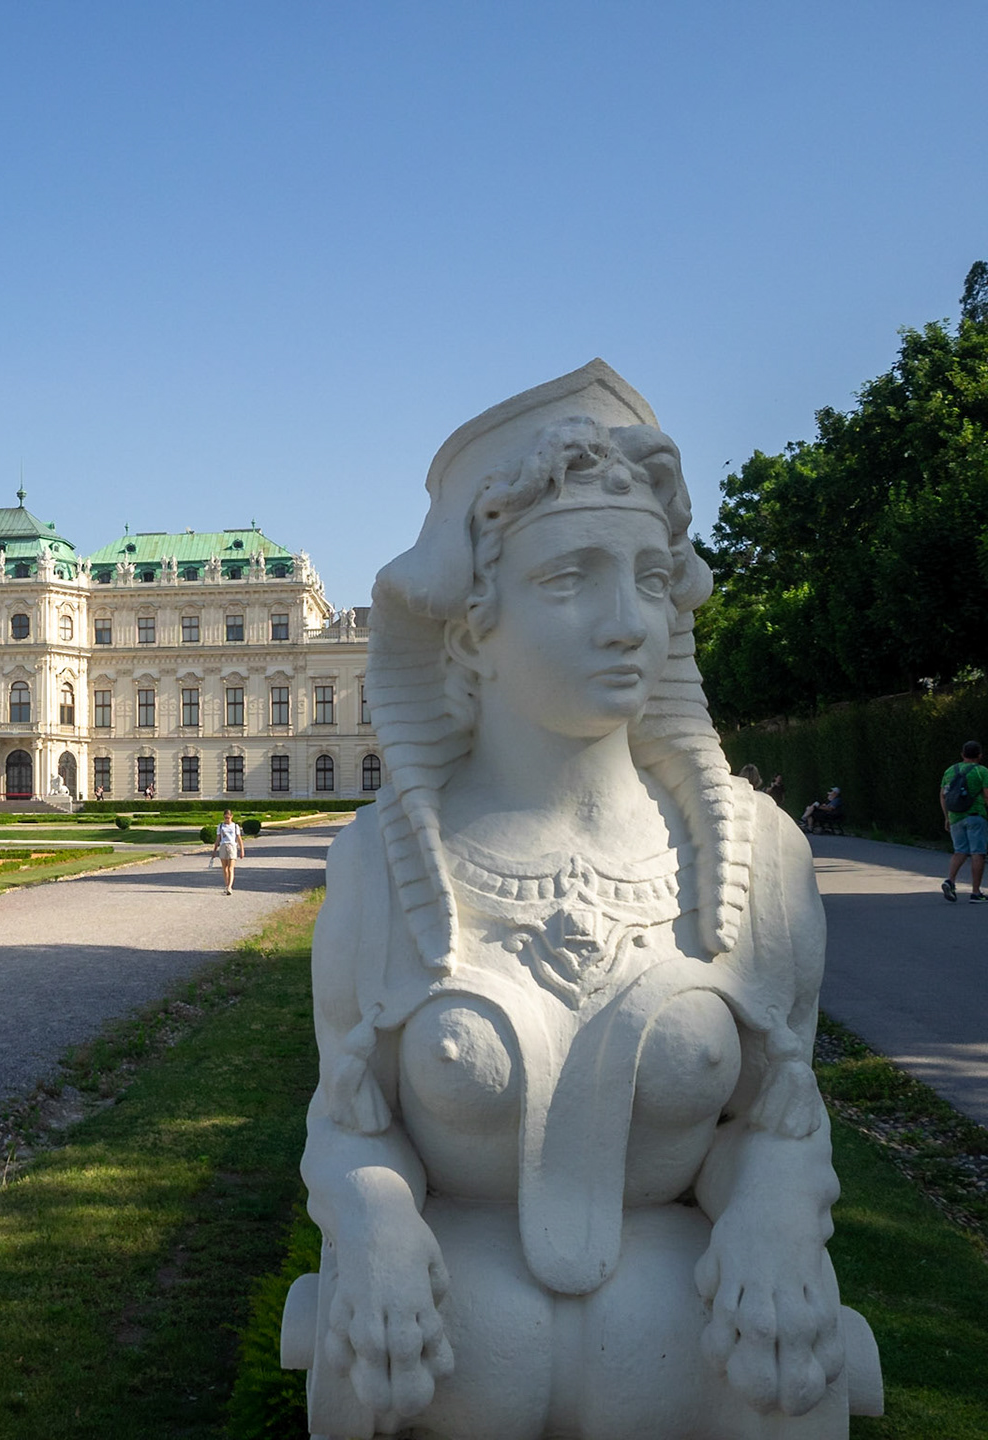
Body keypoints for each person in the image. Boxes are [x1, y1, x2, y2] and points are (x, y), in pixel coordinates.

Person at [295, 366, 871, 1437]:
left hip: (699, 1372)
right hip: (457, 1370)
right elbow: (348, 1122)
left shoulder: (758, 860)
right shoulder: (382, 865)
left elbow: (779, 1120)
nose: (628, 624)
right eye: (571, 578)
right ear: (471, 630)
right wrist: (373, 1219)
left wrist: (777, 1206)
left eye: (652, 579)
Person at [939, 740, 988, 903]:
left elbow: (943, 795)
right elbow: (987, 795)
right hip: (975, 816)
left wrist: (947, 817)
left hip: (955, 816)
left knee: (959, 851)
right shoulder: (982, 771)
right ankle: (975, 892)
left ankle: (950, 880)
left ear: (962, 754)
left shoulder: (950, 771)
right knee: (978, 853)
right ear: (980, 755)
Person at [213, 809, 243, 894]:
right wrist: (214, 850)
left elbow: (239, 838)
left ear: (231, 816)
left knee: (230, 868)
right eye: (225, 817)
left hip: (232, 846)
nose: (227, 819)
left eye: (228, 817)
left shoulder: (235, 826)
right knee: (224, 868)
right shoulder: (220, 826)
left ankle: (230, 887)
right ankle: (226, 885)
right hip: (223, 846)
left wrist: (242, 850)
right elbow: (218, 838)